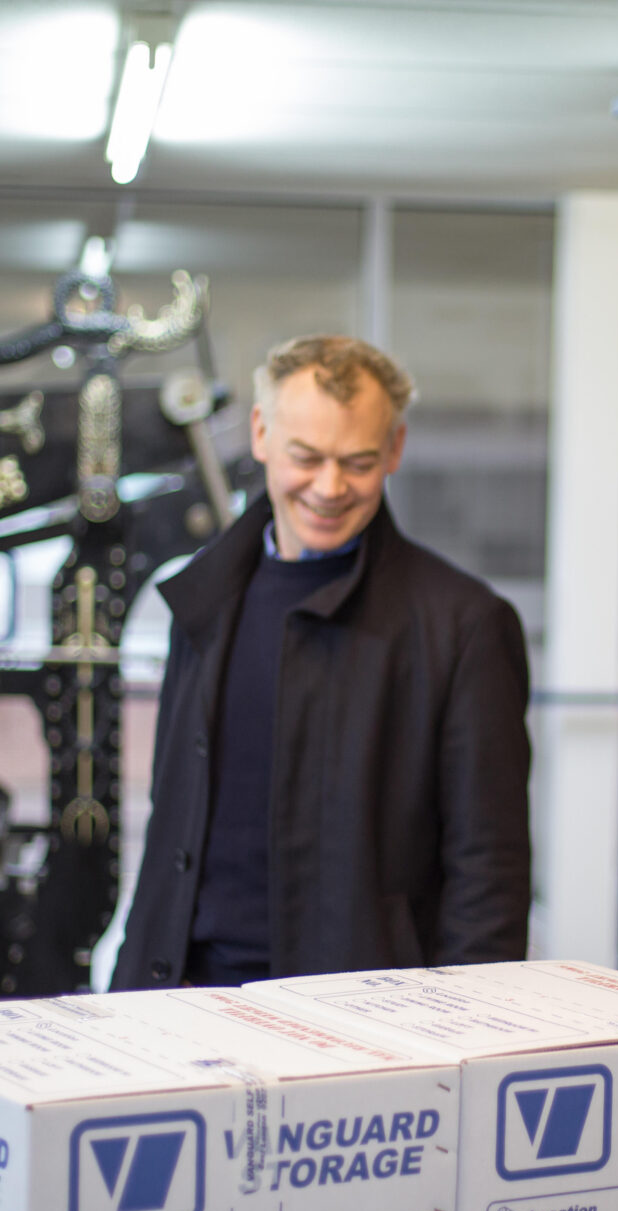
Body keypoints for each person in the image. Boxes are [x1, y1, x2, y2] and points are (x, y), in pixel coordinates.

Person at [112, 334, 532, 989]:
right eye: (305, 457)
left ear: (394, 449)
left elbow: (490, 874)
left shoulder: (464, 626)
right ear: (260, 435)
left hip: (358, 1026)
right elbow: (173, 819)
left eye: (357, 462)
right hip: (182, 1000)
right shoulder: (204, 597)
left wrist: (466, 1041)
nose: (329, 487)